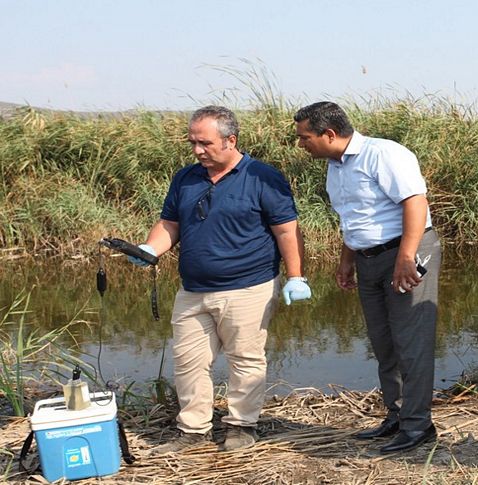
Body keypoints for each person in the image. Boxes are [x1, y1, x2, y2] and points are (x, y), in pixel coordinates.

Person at [128, 105, 312, 454]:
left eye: (205, 143)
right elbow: (171, 224)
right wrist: (149, 249)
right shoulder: (186, 177)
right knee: (189, 361)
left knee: (245, 360)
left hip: (248, 288)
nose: (197, 150)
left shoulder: (262, 177)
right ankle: (192, 430)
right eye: (192, 143)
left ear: (231, 140)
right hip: (193, 290)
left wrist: (295, 276)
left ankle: (242, 426)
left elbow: (287, 230)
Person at [293, 101, 442, 454]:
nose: (301, 144)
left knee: (411, 342)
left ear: (329, 134)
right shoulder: (335, 166)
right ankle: (397, 416)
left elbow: (415, 203)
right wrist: (347, 260)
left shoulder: (383, 154)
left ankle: (418, 426)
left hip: (406, 251)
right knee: (383, 341)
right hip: (368, 258)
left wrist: (406, 257)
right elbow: (353, 217)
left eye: (305, 137)